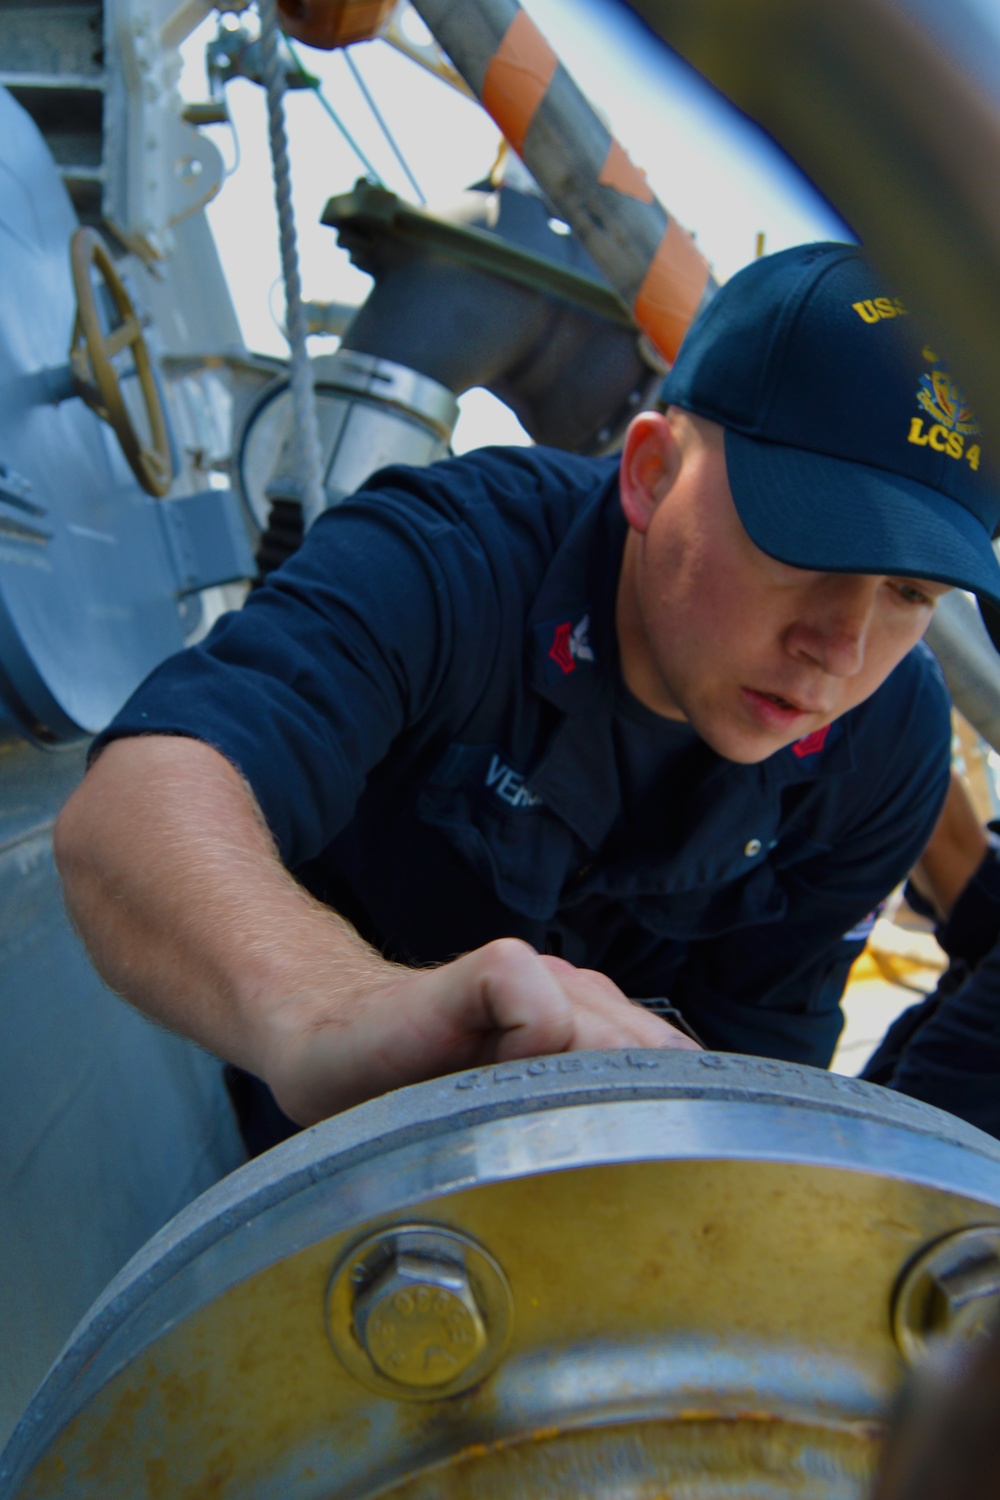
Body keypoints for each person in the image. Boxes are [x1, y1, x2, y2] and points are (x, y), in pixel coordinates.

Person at [54, 241, 1000, 1140]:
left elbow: (759, 1077)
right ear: (651, 473)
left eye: (911, 592)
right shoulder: (453, 556)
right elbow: (137, 809)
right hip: (313, 1155)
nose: (840, 649)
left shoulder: (886, 747)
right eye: (809, 549)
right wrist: (335, 1003)